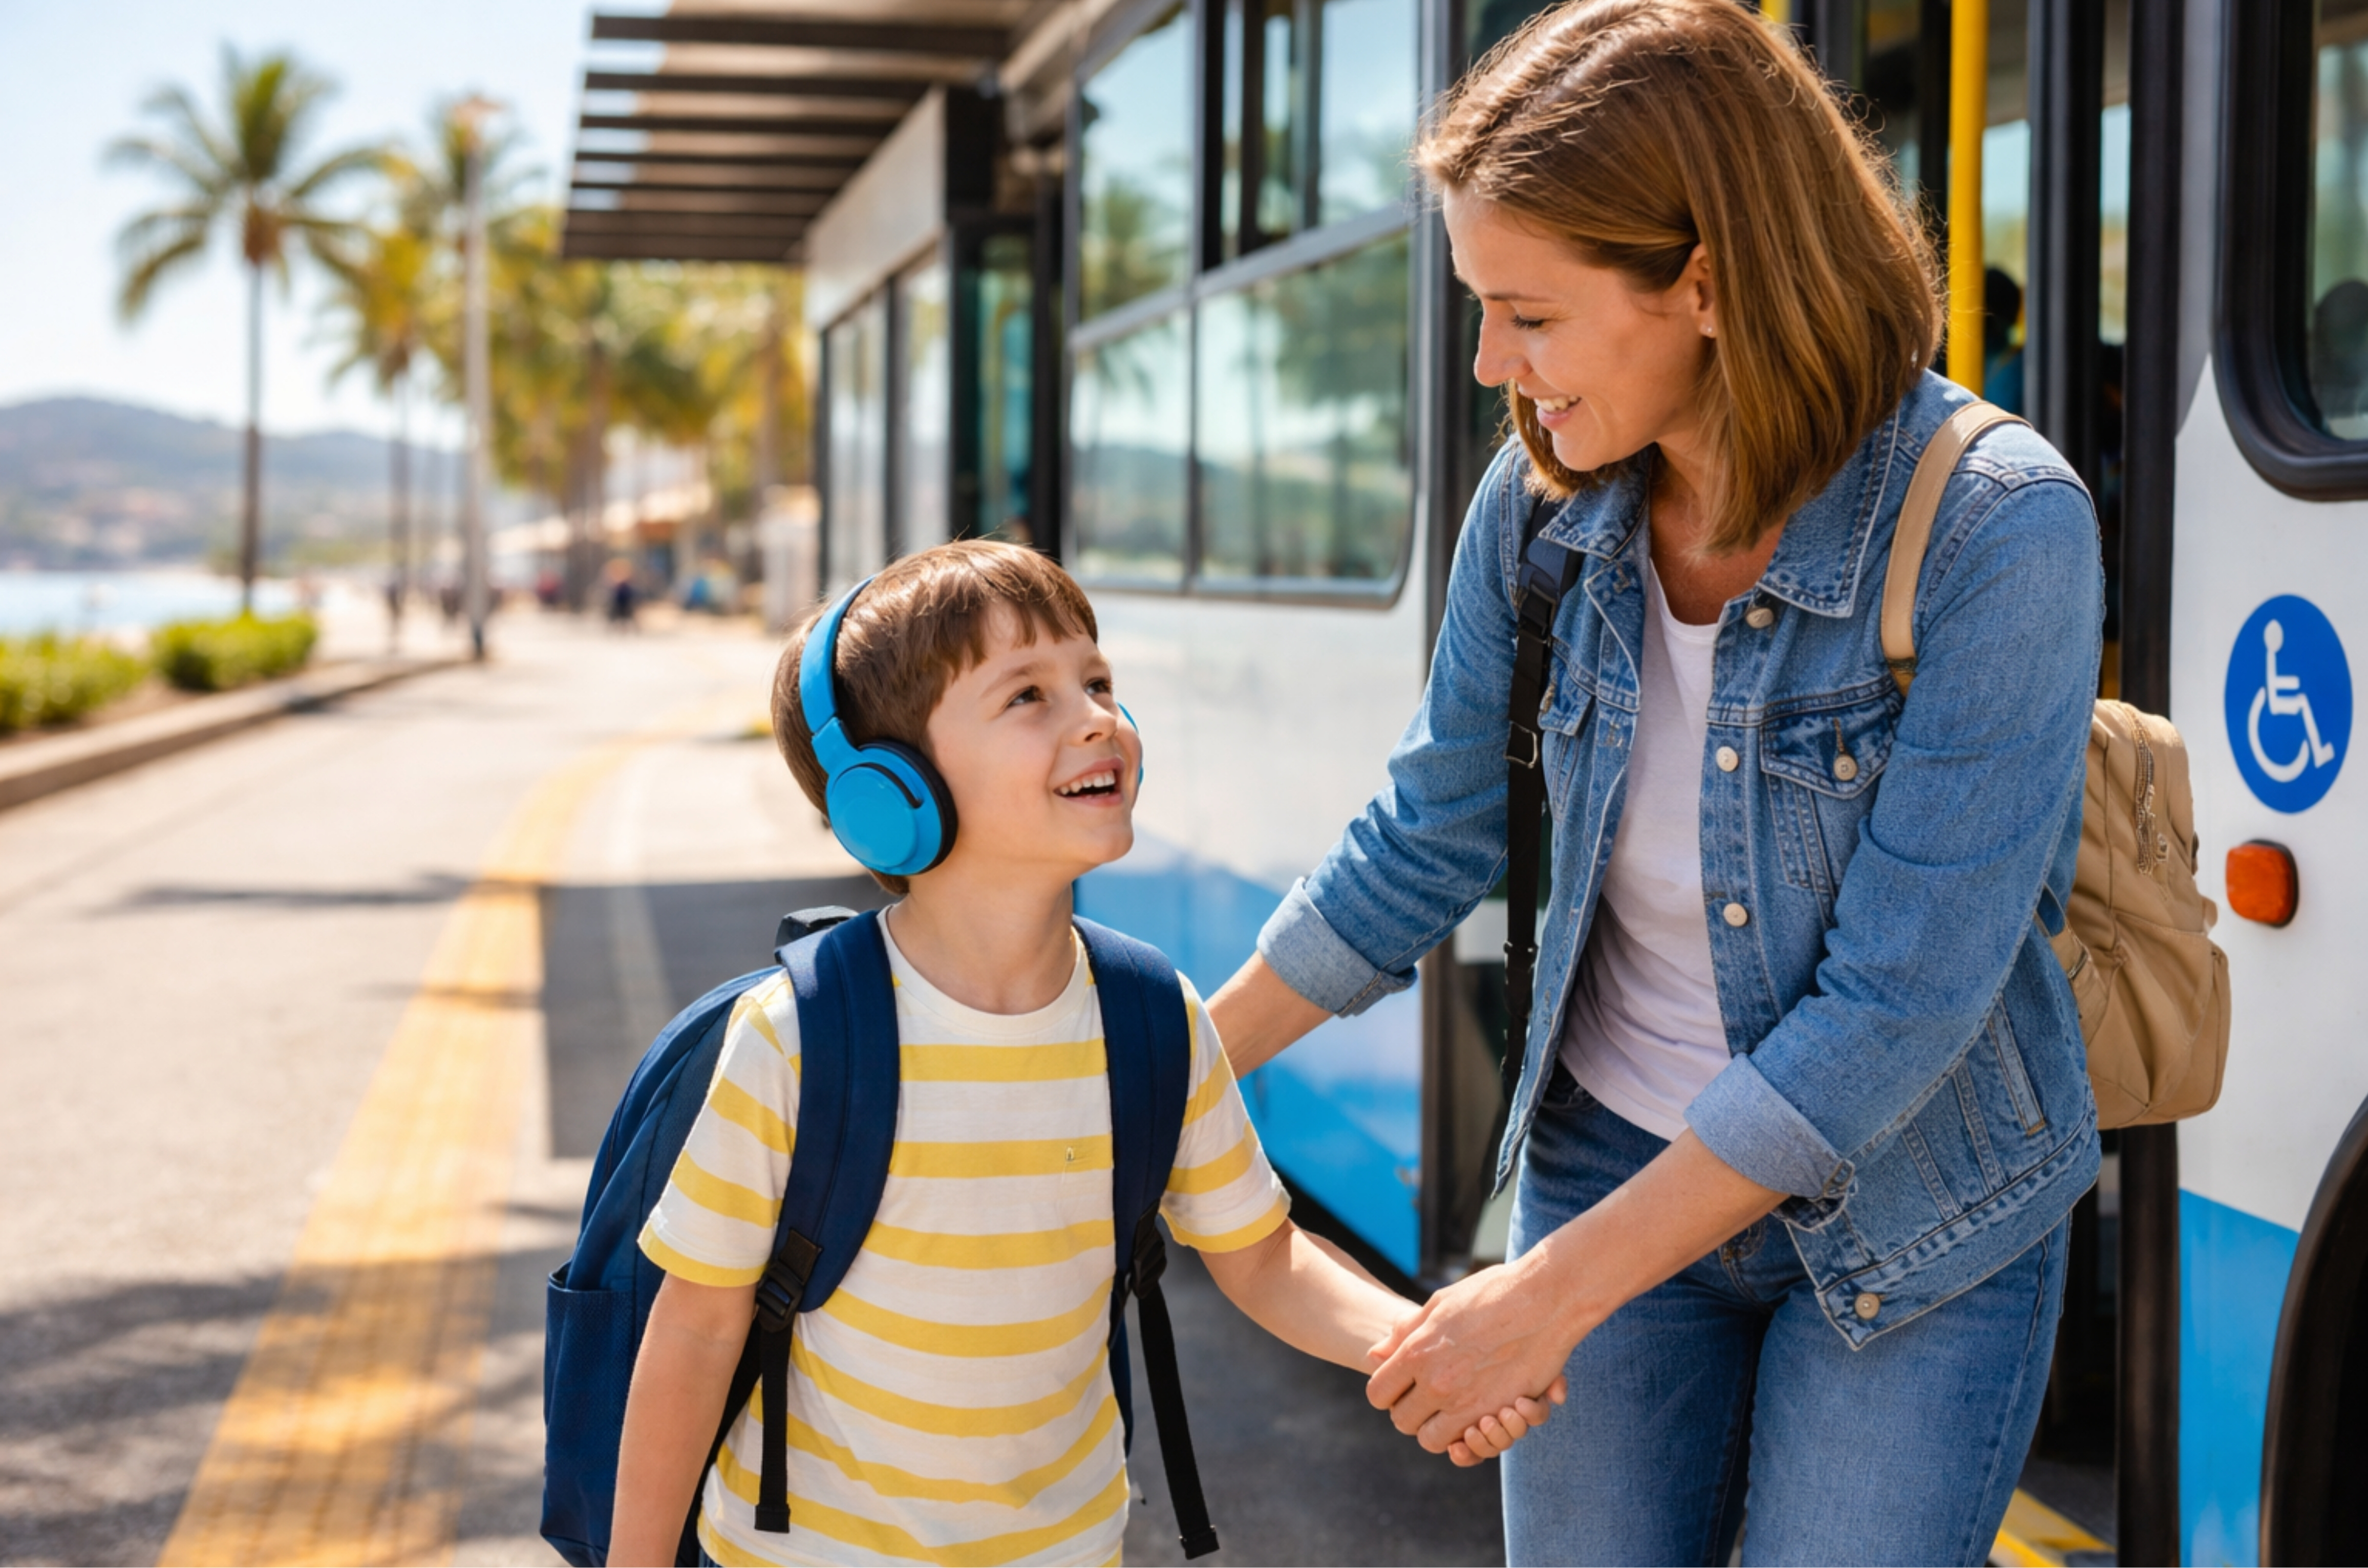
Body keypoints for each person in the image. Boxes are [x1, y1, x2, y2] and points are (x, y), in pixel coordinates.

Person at [1205, 3, 2103, 1563]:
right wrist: (1161, 1069)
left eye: (1529, 315)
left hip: (1919, 1217)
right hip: (1607, 1149)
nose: (1491, 363)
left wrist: (1542, 1298)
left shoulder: (1995, 530)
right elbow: (1430, 833)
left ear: (1702, 283)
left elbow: (1891, 1017)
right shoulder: (1544, 505)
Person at [606, 542, 1559, 1567]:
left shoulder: (1151, 1014)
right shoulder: (800, 1033)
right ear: (894, 792)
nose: (1098, 716)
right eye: (1029, 695)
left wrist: (1432, 1349)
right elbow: (697, 1331)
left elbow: (1264, 1258)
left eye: (1096, 680)